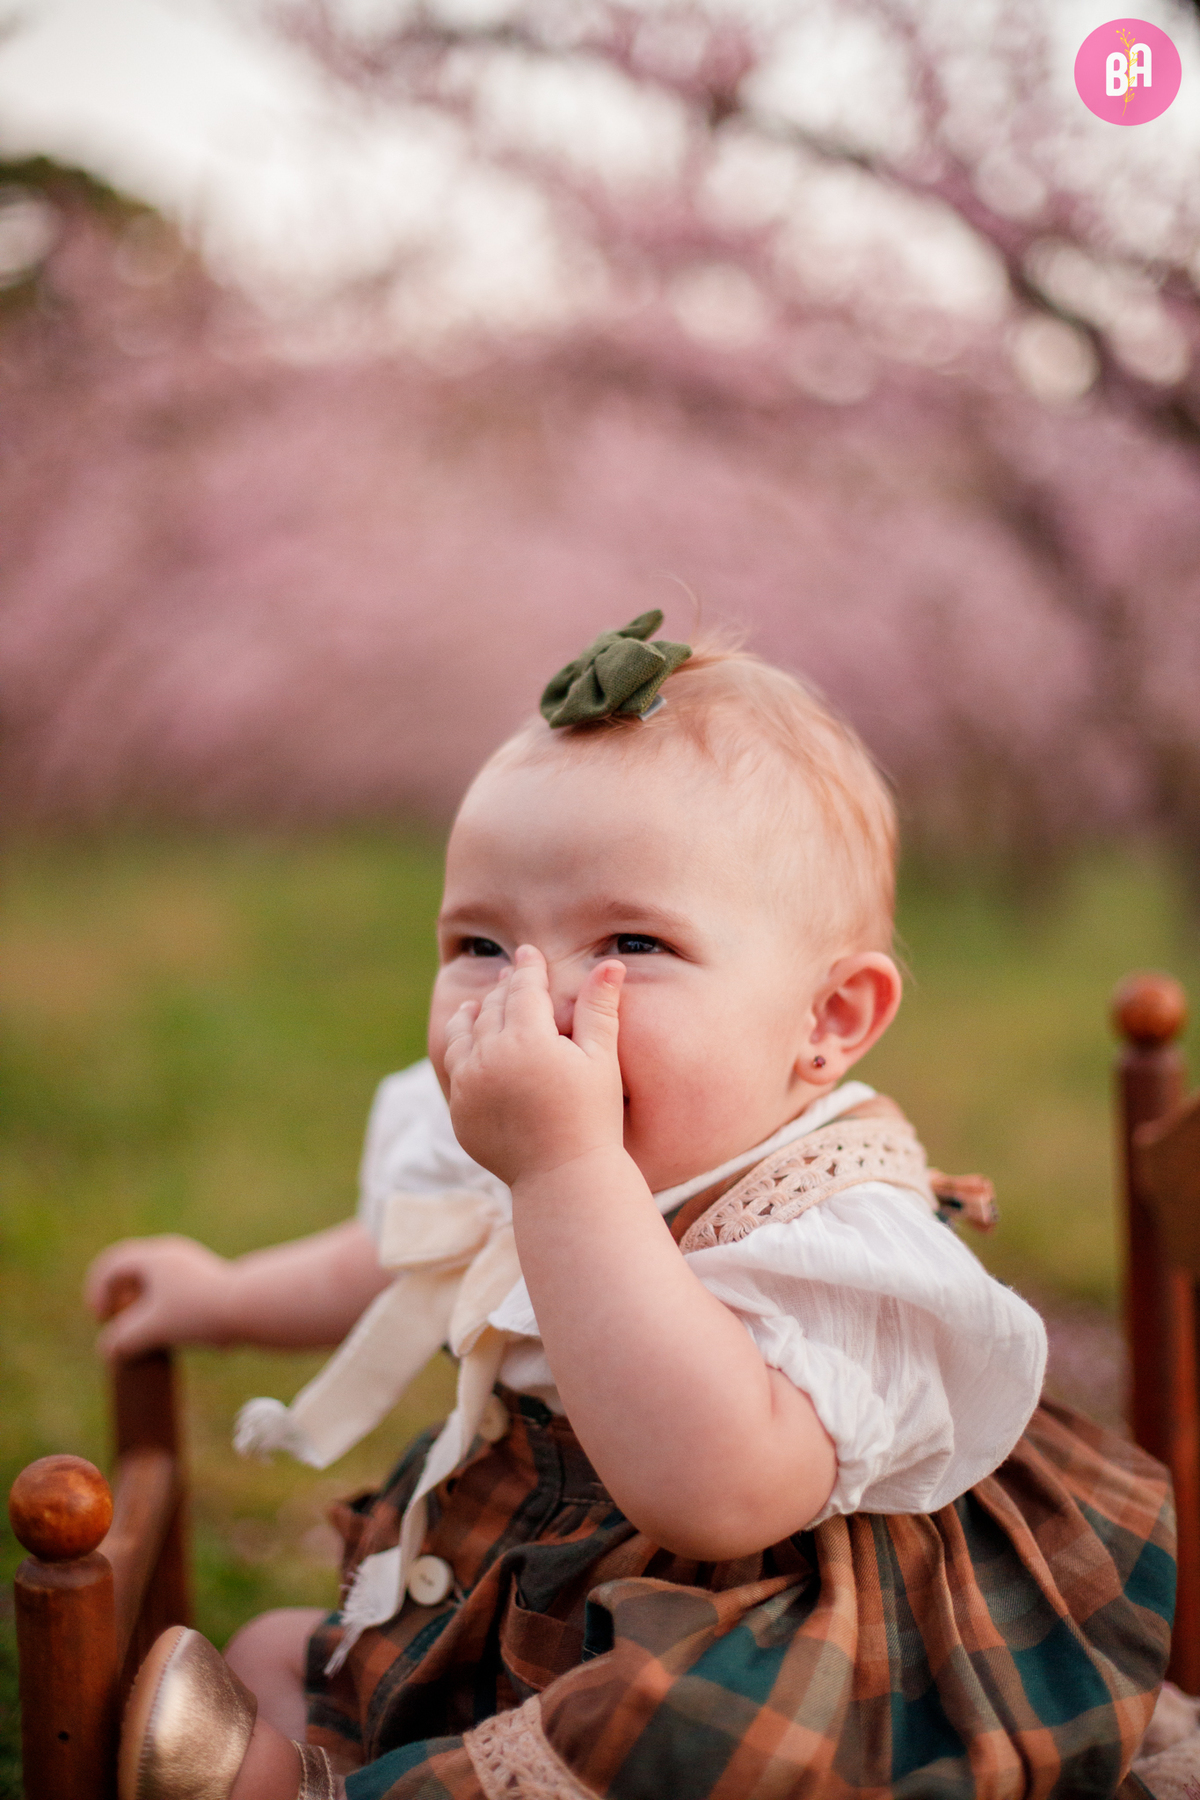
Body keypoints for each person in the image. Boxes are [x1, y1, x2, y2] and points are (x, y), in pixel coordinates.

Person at [88, 617, 1174, 1800]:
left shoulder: (832, 1235)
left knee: (653, 1740)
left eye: (633, 941)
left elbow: (715, 1495)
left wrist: (566, 1176)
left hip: (761, 1640)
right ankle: (330, 1751)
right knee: (300, 1649)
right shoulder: (517, 1127)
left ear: (827, 1021)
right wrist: (226, 1296)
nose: (535, 993)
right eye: (480, 941)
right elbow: (413, 1254)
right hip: (543, 1584)